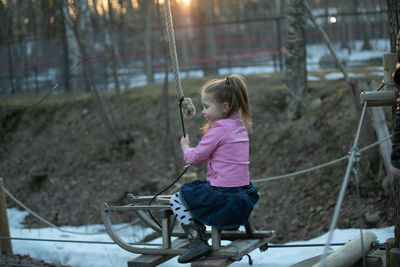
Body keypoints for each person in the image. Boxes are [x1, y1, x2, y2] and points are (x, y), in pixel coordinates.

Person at [169, 74, 259, 263]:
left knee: (179, 197)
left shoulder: (219, 129)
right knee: (203, 187)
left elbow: (196, 156)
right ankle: (219, 227)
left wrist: (185, 148)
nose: (203, 111)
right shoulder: (239, 126)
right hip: (243, 200)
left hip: (224, 199)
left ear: (225, 107)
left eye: (206, 106)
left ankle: (197, 241)